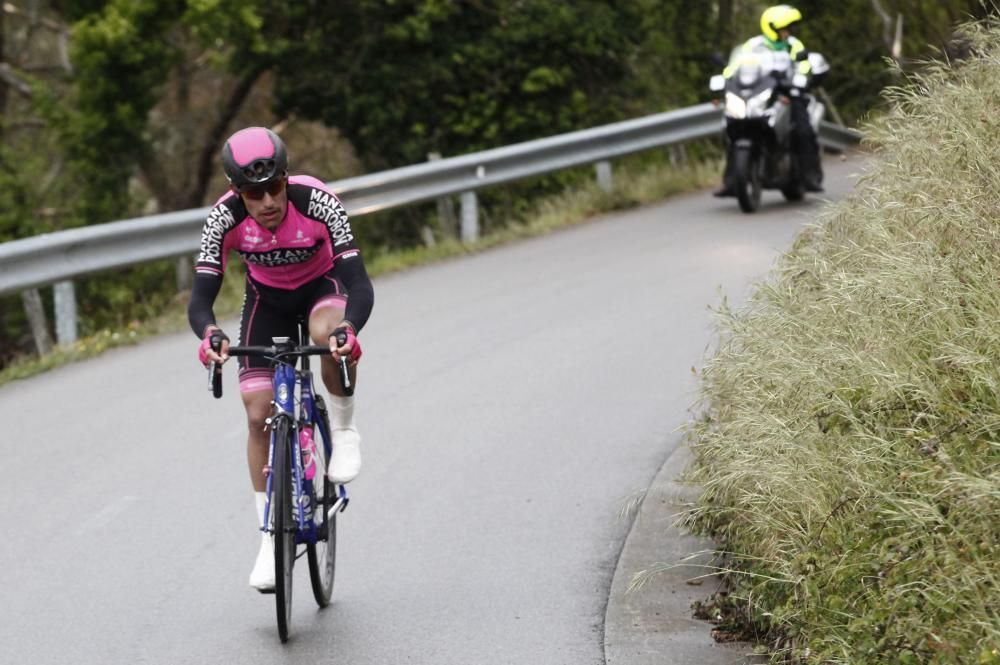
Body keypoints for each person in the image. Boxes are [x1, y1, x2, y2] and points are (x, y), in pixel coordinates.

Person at [188, 126, 375, 591]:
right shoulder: (223, 219)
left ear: (286, 178)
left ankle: (345, 428)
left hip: (321, 287)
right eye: (255, 192)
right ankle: (272, 538)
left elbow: (361, 285)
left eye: (275, 187)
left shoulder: (317, 201)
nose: (269, 201)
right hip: (267, 300)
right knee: (256, 411)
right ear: (237, 192)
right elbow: (200, 301)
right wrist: (210, 334)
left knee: (325, 333)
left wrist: (348, 330)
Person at [714, 4, 824, 197]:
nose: (788, 32)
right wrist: (726, 78)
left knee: (803, 131)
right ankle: (732, 182)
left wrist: (800, 79)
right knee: (734, 127)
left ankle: (810, 176)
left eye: (789, 28)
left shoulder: (793, 45)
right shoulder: (753, 45)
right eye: (784, 28)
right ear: (771, 27)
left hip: (787, 93)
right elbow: (735, 65)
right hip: (759, 93)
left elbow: (804, 66)